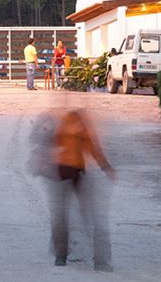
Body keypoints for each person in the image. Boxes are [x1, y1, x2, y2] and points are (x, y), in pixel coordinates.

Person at [48, 109, 117, 271]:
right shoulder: (78, 126)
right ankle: (100, 261)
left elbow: (54, 142)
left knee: (61, 215)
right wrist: (106, 167)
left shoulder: (68, 126)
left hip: (65, 172)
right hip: (74, 172)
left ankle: (61, 256)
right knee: (91, 216)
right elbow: (93, 149)